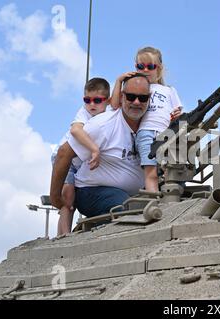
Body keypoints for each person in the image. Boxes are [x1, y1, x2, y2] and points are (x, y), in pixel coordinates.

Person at [50, 74, 150, 218]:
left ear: (149, 98)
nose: (136, 102)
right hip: (92, 191)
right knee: (125, 206)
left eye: (142, 98)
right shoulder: (102, 125)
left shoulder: (152, 125)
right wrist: (55, 198)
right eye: (130, 96)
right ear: (122, 96)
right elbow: (63, 153)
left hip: (135, 193)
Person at [111, 46, 183, 192]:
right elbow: (114, 105)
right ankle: (153, 201)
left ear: (159, 68)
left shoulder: (169, 90)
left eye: (150, 66)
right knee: (151, 174)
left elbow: (179, 112)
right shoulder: (135, 88)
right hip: (145, 132)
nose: (145, 70)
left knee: (172, 171)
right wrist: (119, 81)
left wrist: (177, 115)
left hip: (167, 132)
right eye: (140, 66)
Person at [51, 77, 111, 236]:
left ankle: (63, 234)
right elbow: (75, 131)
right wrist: (94, 149)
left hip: (82, 162)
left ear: (108, 100)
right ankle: (64, 235)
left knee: (75, 199)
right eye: (87, 100)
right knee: (68, 198)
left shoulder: (110, 114)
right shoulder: (83, 112)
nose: (91, 104)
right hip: (67, 159)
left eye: (97, 100)